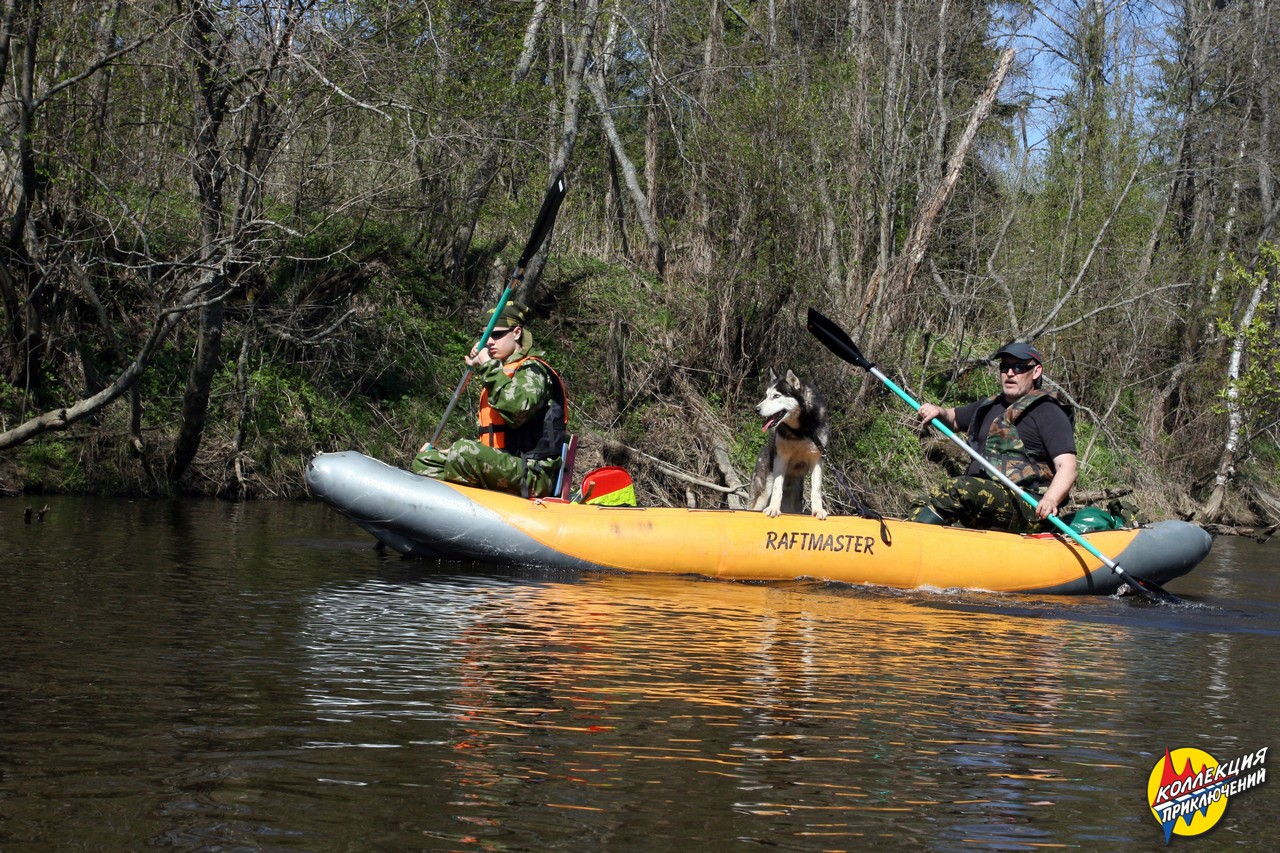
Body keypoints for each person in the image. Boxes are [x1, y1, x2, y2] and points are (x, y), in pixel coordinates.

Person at [907, 340, 1077, 532]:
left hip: (1027, 505)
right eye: (1005, 367)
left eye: (1019, 367)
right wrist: (939, 411)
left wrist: (1050, 499)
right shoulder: (989, 405)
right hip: (982, 500)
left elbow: (1068, 466)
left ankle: (915, 535)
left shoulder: (1048, 411)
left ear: (1036, 371)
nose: (1010, 373)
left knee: (960, 489)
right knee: (922, 502)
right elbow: (954, 419)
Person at [412, 299, 568, 498]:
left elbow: (517, 409)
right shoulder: (500, 371)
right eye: (485, 336)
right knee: (425, 460)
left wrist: (486, 363)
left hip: (533, 473)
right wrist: (447, 454)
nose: (490, 342)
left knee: (464, 451)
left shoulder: (533, 370)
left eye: (497, 335)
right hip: (502, 464)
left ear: (517, 333)